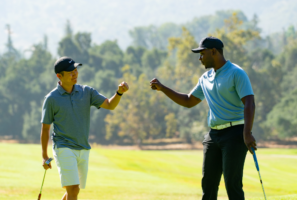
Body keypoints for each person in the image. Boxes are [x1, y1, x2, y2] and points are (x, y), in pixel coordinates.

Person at [150, 36, 256, 200]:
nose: (199, 58)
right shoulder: (205, 78)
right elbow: (188, 101)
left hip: (235, 134)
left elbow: (249, 102)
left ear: (213, 51)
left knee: (232, 184)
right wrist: (162, 88)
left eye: (202, 53)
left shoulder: (236, 73)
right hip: (213, 135)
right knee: (208, 184)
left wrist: (247, 133)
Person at [40, 56, 129, 200]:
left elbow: (110, 105)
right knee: (73, 188)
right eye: (70, 72)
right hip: (63, 147)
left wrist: (119, 93)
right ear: (59, 76)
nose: (75, 73)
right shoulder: (51, 98)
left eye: (75, 70)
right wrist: (44, 156)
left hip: (83, 147)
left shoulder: (87, 92)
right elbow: (45, 128)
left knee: (74, 190)